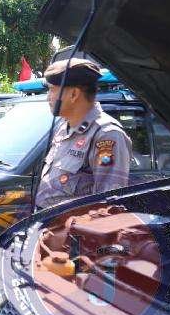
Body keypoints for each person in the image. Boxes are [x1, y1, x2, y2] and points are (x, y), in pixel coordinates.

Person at [35, 59, 132, 210]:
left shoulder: (106, 135)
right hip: (47, 221)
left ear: (74, 94)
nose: (48, 97)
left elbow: (109, 205)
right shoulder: (64, 127)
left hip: (72, 225)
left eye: (52, 90)